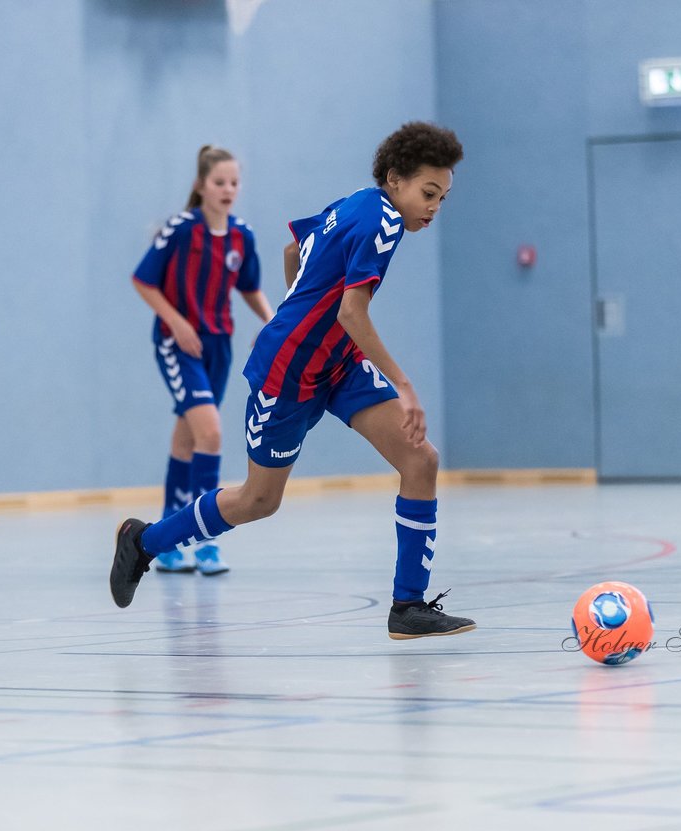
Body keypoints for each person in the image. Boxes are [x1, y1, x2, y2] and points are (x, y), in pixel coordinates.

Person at [113, 122, 474, 640]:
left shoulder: (358, 201)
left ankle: (408, 607)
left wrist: (310, 320)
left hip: (338, 364)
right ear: (395, 179)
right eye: (428, 192)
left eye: (443, 196)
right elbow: (353, 312)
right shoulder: (383, 222)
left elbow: (291, 253)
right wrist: (405, 386)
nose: (434, 206)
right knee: (259, 501)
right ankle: (142, 541)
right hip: (287, 373)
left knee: (421, 460)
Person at [130, 146, 273, 575]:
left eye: (234, 182)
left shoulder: (241, 235)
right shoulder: (179, 229)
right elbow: (143, 280)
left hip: (218, 345)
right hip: (179, 344)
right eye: (219, 182)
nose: (228, 189)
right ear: (200, 186)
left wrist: (271, 321)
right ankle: (206, 540)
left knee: (187, 435)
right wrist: (177, 323)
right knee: (209, 432)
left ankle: (168, 540)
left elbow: (249, 286)